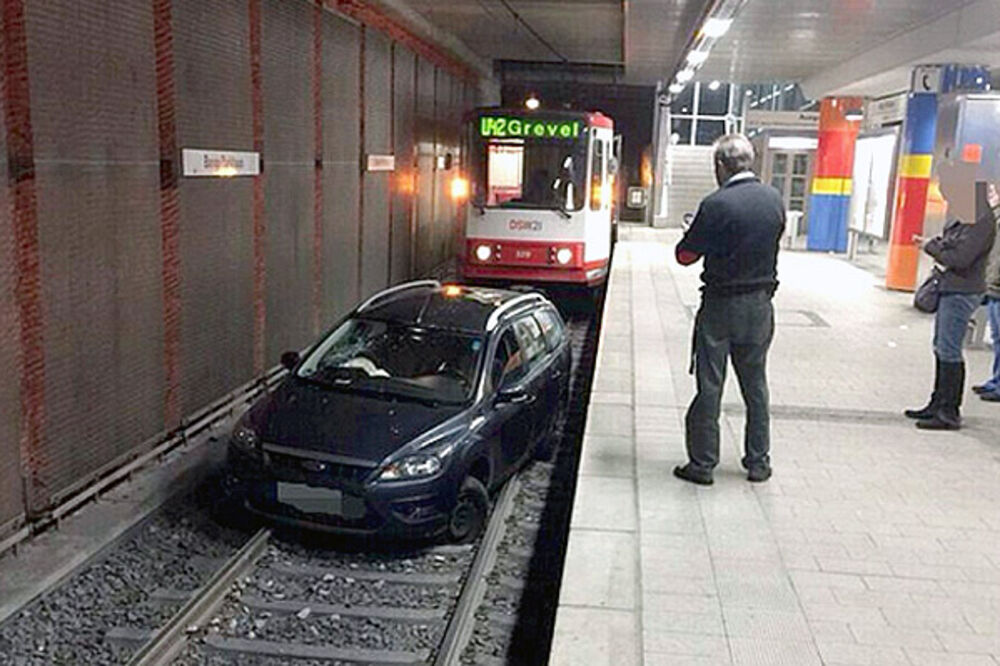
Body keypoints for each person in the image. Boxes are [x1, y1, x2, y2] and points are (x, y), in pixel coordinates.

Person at [672, 134, 785, 486]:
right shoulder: (774, 199)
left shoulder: (716, 204)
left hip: (720, 307)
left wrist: (695, 233)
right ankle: (758, 462)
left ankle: (703, 464)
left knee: (711, 385)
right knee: (756, 386)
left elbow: (685, 256)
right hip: (760, 307)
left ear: (720, 165)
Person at [906, 164, 997, 429]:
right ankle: (936, 402)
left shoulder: (980, 219)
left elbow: (961, 257)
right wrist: (937, 245)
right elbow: (952, 245)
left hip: (963, 290)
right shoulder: (966, 215)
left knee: (949, 349)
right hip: (952, 287)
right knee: (941, 346)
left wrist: (931, 246)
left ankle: (948, 411)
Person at [972, 183, 1000, 402]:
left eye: (993, 191)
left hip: (997, 285)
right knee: (997, 339)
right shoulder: (994, 216)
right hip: (993, 287)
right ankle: (996, 380)